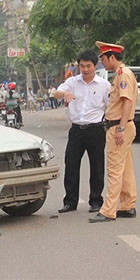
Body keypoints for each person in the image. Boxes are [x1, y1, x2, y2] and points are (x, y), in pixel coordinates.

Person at [54, 49, 111, 214]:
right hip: (77, 130)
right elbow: (56, 93)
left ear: (95, 66)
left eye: (88, 66)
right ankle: (70, 202)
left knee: (97, 166)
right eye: (82, 66)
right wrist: (64, 93)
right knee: (71, 165)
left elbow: (110, 107)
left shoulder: (104, 85)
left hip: (96, 130)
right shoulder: (72, 82)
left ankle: (96, 201)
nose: (85, 69)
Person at [89, 41, 138, 223]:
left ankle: (108, 210)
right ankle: (127, 205)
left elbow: (127, 102)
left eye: (103, 58)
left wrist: (121, 128)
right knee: (125, 169)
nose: (102, 62)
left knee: (114, 170)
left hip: (119, 126)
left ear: (111, 57)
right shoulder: (122, 74)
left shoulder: (122, 75)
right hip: (122, 126)